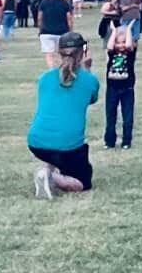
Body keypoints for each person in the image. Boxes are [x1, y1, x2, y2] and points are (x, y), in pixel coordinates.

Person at [28, 32, 100, 195]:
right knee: (83, 182)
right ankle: (51, 177)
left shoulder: (45, 78)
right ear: (83, 52)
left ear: (59, 53)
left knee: (55, 153)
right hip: (68, 145)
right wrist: (87, 70)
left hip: (36, 141)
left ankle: (48, 169)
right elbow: (91, 99)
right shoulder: (89, 80)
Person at [104, 25, 139, 149]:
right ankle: (109, 141)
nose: (121, 45)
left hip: (127, 89)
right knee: (110, 116)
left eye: (123, 42)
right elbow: (109, 46)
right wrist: (114, 32)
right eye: (118, 43)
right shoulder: (112, 53)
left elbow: (129, 45)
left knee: (127, 117)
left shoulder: (130, 54)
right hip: (112, 89)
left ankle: (126, 141)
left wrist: (128, 30)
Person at [37, 0, 73, 67]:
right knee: (61, 54)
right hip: (62, 32)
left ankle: (52, 70)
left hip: (46, 32)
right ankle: (62, 69)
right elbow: (69, 19)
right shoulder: (64, 3)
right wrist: (70, 31)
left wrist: (40, 29)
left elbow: (39, 17)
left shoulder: (44, 2)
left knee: (49, 54)